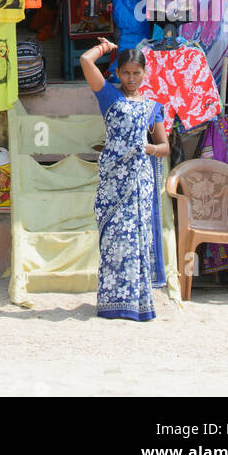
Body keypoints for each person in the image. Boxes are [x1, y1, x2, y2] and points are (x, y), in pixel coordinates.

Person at [80, 40, 170, 321]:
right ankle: (111, 303)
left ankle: (136, 303)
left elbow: (165, 146)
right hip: (112, 182)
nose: (131, 79)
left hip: (138, 182)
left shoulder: (152, 107)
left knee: (136, 240)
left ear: (145, 74)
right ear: (118, 73)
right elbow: (85, 60)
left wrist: (149, 149)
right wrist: (105, 48)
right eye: (126, 73)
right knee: (114, 241)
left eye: (136, 73)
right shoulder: (108, 96)